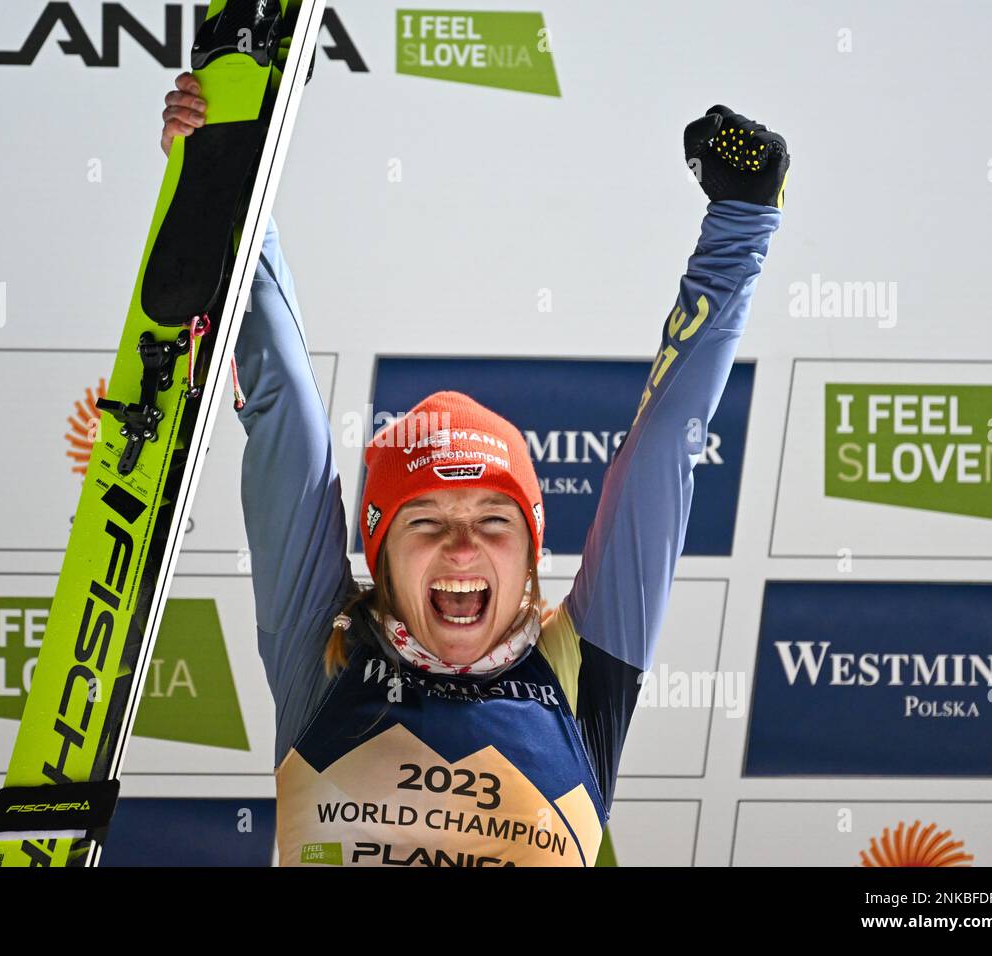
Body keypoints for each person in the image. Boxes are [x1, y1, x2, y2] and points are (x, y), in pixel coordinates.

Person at [162, 73, 788, 867]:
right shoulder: (324, 648)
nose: (461, 549)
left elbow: (660, 456)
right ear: (379, 554)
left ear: (531, 556)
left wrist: (741, 222)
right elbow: (286, 416)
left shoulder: (576, 670)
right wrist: (223, 172)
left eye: (494, 522)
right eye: (425, 521)